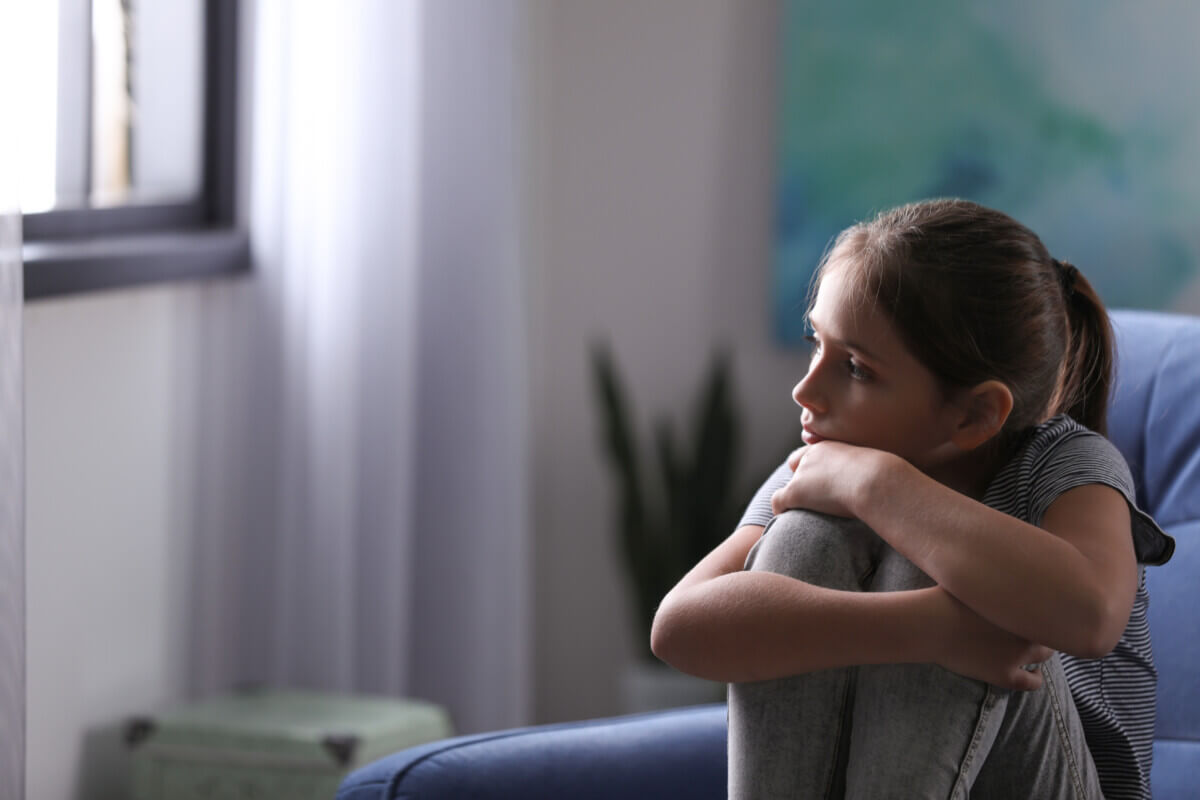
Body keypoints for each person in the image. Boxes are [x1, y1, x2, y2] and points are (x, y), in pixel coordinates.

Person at [650, 199, 1175, 799]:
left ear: (976, 414)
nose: (805, 389)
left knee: (937, 563)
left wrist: (877, 486)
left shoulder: (1063, 461)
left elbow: (1091, 615)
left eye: (855, 368)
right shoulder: (827, 460)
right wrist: (927, 630)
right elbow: (678, 628)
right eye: (814, 342)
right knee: (804, 535)